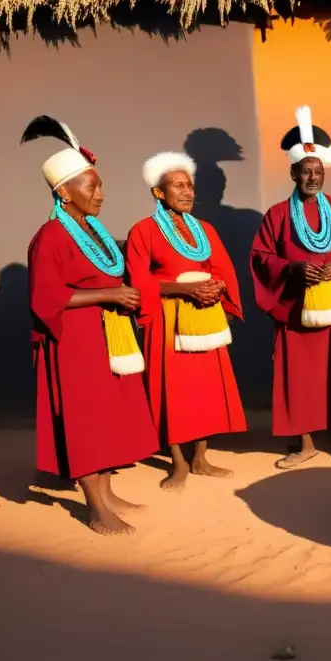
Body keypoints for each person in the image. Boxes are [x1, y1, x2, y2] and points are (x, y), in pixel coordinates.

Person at [22, 115, 158, 535]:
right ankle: (96, 507)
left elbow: (106, 274)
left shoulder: (92, 231)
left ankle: (107, 490)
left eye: (99, 184)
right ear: (64, 192)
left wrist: (125, 295)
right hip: (75, 344)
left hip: (107, 338)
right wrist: (110, 295)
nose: (101, 193)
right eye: (91, 186)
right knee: (86, 420)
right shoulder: (51, 237)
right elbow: (45, 299)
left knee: (108, 417)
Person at [250, 106, 331, 468]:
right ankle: (304, 444)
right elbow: (260, 256)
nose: (313, 177)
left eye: (318, 171)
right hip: (296, 311)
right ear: (293, 173)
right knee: (299, 378)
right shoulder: (276, 215)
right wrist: (292, 269)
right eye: (306, 171)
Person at [125, 151, 247, 491]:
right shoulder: (144, 232)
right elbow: (139, 281)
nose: (187, 192)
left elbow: (222, 267)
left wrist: (217, 287)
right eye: (177, 186)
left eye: (190, 186)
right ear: (158, 193)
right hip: (168, 320)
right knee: (173, 393)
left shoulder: (204, 229)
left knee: (205, 391)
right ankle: (178, 463)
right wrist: (184, 289)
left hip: (205, 318)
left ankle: (201, 458)